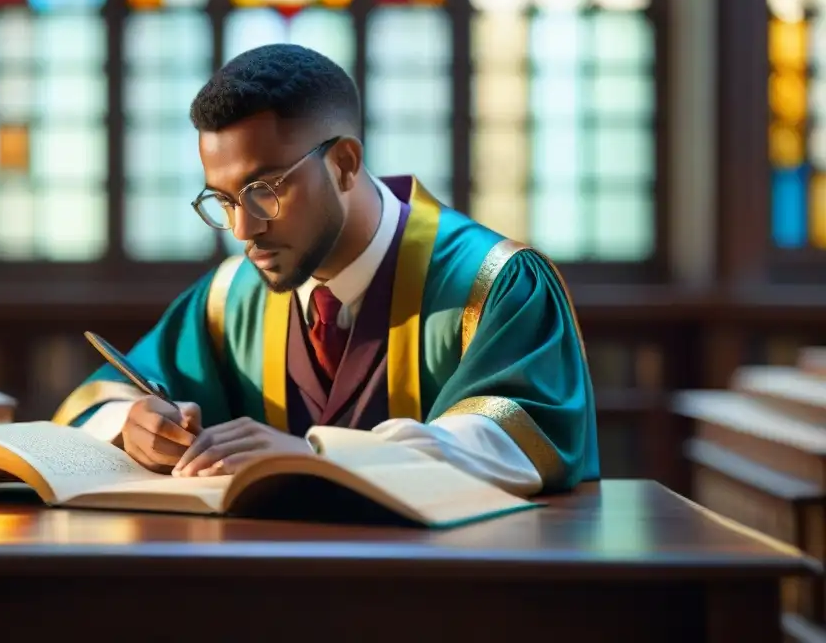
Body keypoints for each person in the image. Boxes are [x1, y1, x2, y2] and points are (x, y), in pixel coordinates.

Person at [52, 44, 599, 496]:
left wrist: (322, 456)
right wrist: (136, 426)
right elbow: (98, 400)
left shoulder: (495, 282)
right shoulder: (230, 298)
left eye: (263, 192)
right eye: (221, 200)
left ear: (343, 164)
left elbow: (518, 439)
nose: (243, 229)